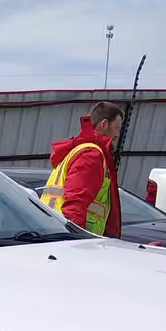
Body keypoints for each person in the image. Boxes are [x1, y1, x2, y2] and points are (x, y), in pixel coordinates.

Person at [39, 101, 124, 237]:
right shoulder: (91, 155)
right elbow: (75, 204)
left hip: (55, 232)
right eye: (116, 127)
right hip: (73, 240)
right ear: (103, 124)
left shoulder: (79, 150)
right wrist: (75, 241)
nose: (118, 135)